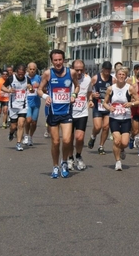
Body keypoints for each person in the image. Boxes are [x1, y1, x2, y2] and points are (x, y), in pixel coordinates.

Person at [38, 49, 80, 178]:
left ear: (64, 60)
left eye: (60, 60)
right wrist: (46, 97)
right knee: (55, 142)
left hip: (66, 112)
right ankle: (55, 166)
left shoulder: (71, 73)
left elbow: (77, 86)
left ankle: (64, 162)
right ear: (52, 61)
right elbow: (39, 90)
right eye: (55, 60)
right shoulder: (47, 74)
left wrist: (73, 94)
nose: (58, 63)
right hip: (53, 112)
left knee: (67, 140)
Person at [102, 67, 139, 171]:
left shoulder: (130, 88)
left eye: (123, 75)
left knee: (124, 143)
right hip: (114, 118)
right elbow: (104, 102)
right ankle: (118, 161)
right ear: (116, 75)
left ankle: (122, 149)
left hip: (126, 118)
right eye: (119, 74)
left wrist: (131, 103)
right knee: (117, 141)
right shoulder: (111, 88)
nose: (121, 76)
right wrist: (109, 107)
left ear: (126, 76)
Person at [68, 59, 92, 170]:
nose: (78, 72)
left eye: (81, 70)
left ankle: (78, 155)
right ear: (72, 69)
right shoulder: (66, 79)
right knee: (68, 139)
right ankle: (69, 158)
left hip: (82, 112)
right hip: (68, 113)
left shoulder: (87, 79)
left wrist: (90, 100)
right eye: (76, 70)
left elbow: (89, 92)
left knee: (79, 138)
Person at [1, 65, 31, 151]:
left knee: (21, 124)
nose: (21, 75)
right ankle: (11, 133)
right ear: (16, 72)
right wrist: (9, 90)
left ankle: (18, 143)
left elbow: (31, 89)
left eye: (22, 74)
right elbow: (3, 87)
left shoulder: (27, 79)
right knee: (13, 127)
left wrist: (31, 88)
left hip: (23, 105)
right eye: (19, 74)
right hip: (13, 106)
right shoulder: (11, 78)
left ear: (25, 73)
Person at [88, 61, 114, 155]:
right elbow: (89, 91)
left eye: (109, 69)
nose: (107, 71)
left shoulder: (113, 80)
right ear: (102, 69)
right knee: (98, 126)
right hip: (98, 105)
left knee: (106, 127)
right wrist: (92, 96)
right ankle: (93, 136)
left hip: (108, 106)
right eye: (106, 69)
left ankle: (101, 146)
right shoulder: (95, 78)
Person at [23, 62, 41, 146]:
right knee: (28, 120)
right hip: (27, 102)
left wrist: (40, 85)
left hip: (36, 102)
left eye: (34, 69)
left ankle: (30, 137)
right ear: (27, 69)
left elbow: (44, 88)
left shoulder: (39, 78)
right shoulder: (24, 78)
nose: (32, 71)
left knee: (34, 122)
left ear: (36, 70)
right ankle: (26, 136)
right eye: (30, 69)